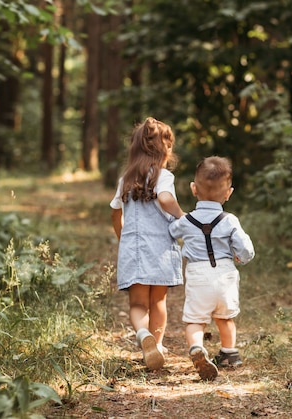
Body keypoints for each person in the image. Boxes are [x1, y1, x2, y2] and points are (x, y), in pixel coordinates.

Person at [169, 156, 255, 380]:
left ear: (193, 189)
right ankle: (229, 353)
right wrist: (241, 257)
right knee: (225, 318)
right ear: (229, 193)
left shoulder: (187, 221)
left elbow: (171, 232)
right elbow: (245, 248)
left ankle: (197, 348)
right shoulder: (230, 220)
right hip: (225, 273)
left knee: (195, 321)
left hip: (198, 274)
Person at [110, 117, 185, 371]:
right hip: (161, 249)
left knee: (138, 304)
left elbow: (115, 214)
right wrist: (182, 217)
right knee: (158, 303)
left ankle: (143, 336)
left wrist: (125, 240)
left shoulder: (126, 179)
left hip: (134, 250)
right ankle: (159, 344)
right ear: (165, 150)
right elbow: (164, 200)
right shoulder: (164, 177)